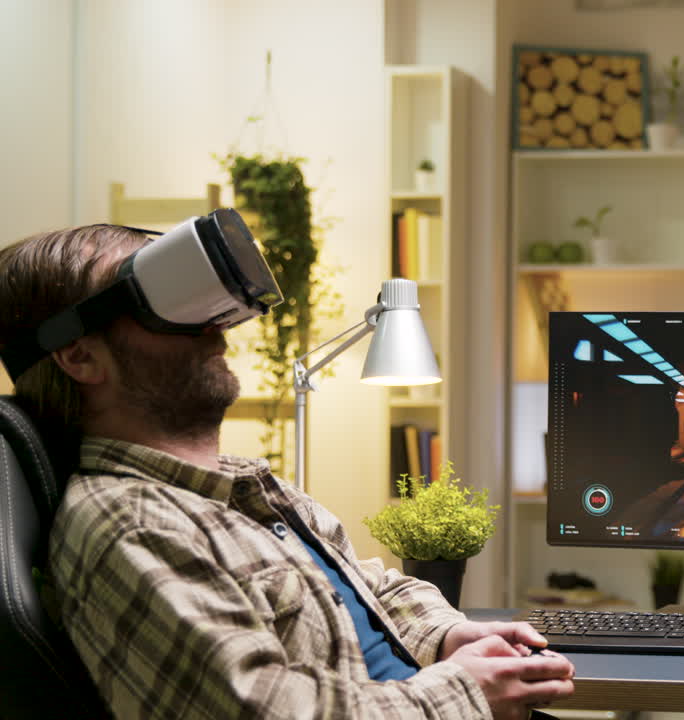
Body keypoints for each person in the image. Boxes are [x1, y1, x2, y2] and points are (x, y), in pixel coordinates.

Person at [0, 223, 575, 719]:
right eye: (162, 301)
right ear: (80, 355)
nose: (214, 324)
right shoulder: (133, 524)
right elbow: (262, 710)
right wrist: (465, 692)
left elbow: (367, 583)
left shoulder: (239, 486)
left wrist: (447, 635)